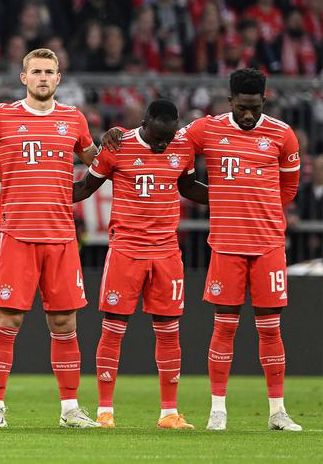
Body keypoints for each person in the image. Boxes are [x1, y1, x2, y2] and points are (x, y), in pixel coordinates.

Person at [0, 47, 103, 428]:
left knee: (65, 324)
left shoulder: (73, 120)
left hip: (61, 238)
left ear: (58, 78)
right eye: (35, 71)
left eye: (49, 71)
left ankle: (70, 409)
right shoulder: (2, 117)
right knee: (7, 320)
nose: (42, 77)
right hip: (17, 235)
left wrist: (120, 144)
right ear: (23, 77)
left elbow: (98, 164)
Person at [170, 69, 299, 431]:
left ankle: (277, 412)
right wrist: (219, 198)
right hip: (226, 245)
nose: (248, 115)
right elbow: (173, 151)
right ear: (230, 102)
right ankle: (218, 410)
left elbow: (288, 191)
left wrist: (254, 205)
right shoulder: (206, 129)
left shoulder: (282, 135)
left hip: (268, 244)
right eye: (242, 108)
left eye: (254, 108)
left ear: (264, 102)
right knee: (224, 327)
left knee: (270, 329)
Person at [72, 99, 209, 429]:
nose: (164, 144)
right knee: (114, 328)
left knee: (169, 331)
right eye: (159, 136)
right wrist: (46, 192)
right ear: (144, 123)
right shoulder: (118, 145)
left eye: (169, 137)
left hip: (166, 253)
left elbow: (188, 185)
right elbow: (87, 187)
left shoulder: (182, 146)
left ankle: (169, 413)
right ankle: (105, 411)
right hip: (126, 250)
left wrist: (231, 193)